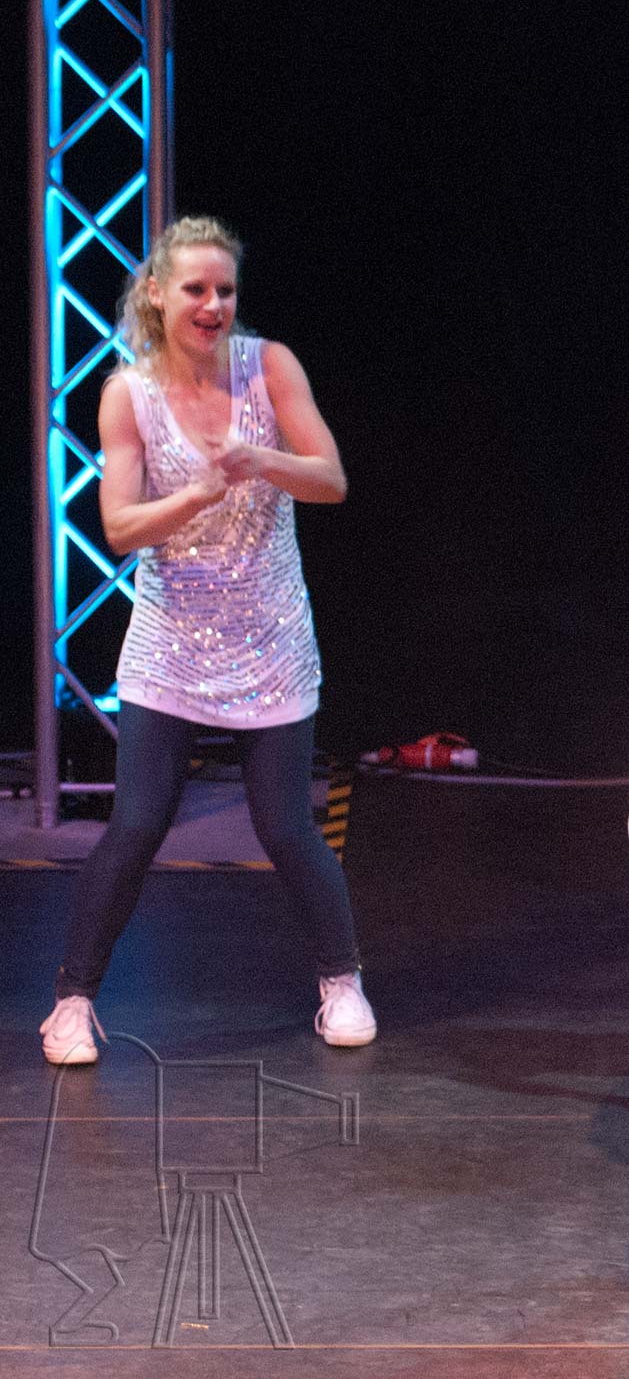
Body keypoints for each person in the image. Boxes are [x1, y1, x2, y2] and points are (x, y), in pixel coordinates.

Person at [39, 217, 373, 1067]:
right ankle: (72, 1002)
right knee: (137, 824)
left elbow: (331, 479)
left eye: (225, 290)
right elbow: (120, 527)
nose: (213, 305)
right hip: (170, 647)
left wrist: (258, 460)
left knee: (285, 827)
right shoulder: (128, 394)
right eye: (196, 289)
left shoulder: (270, 366)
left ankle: (342, 982)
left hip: (270, 641)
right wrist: (195, 493)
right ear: (158, 293)